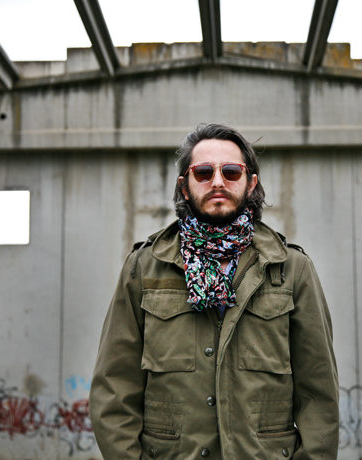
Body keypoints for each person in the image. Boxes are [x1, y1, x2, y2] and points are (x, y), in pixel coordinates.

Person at [90, 123, 340, 459]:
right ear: (185, 185)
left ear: (251, 183)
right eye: (204, 172)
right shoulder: (145, 268)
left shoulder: (291, 268)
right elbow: (114, 388)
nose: (218, 182)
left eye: (231, 172)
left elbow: (318, 395)